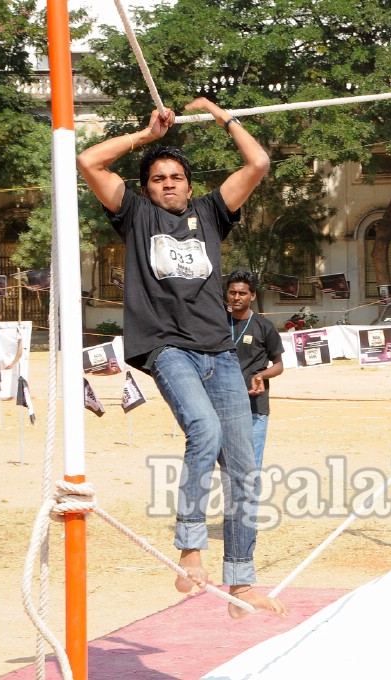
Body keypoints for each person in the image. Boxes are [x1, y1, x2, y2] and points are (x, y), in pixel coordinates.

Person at [76, 98, 286, 619]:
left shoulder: (212, 212)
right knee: (205, 434)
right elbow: (88, 161)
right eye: (158, 178)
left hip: (220, 353)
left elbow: (258, 164)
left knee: (243, 467)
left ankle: (241, 582)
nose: (168, 183)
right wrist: (146, 138)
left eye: (176, 177)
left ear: (190, 185)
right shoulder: (136, 215)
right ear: (147, 188)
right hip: (167, 350)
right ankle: (190, 547)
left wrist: (220, 114)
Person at [225, 270, 285, 475]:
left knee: (251, 466)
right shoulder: (218, 324)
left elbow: (279, 365)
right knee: (228, 465)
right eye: (232, 292)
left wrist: (261, 376)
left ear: (253, 295)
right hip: (224, 405)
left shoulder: (264, 326)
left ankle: (249, 507)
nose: (236, 297)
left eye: (242, 293)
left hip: (254, 408)